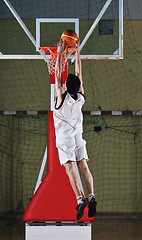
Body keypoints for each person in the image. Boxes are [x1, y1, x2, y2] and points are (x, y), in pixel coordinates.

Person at [53, 39, 97, 220]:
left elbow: (56, 74)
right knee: (84, 166)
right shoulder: (81, 98)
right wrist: (77, 52)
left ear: (65, 86)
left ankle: (80, 199)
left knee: (71, 170)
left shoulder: (61, 97)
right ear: (78, 86)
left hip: (65, 140)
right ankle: (92, 195)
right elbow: (79, 72)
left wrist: (59, 52)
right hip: (78, 137)